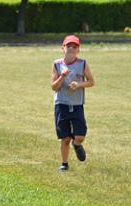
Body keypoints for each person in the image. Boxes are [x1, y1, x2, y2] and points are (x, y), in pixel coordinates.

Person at [51, 35, 95, 172]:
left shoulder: (83, 64)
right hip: (61, 104)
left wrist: (79, 84)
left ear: (78, 50)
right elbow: (54, 87)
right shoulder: (57, 64)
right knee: (65, 138)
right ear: (62, 48)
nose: (71, 48)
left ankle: (77, 145)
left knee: (80, 136)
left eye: (74, 46)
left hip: (77, 104)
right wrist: (62, 76)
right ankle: (64, 163)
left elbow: (91, 81)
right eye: (68, 46)